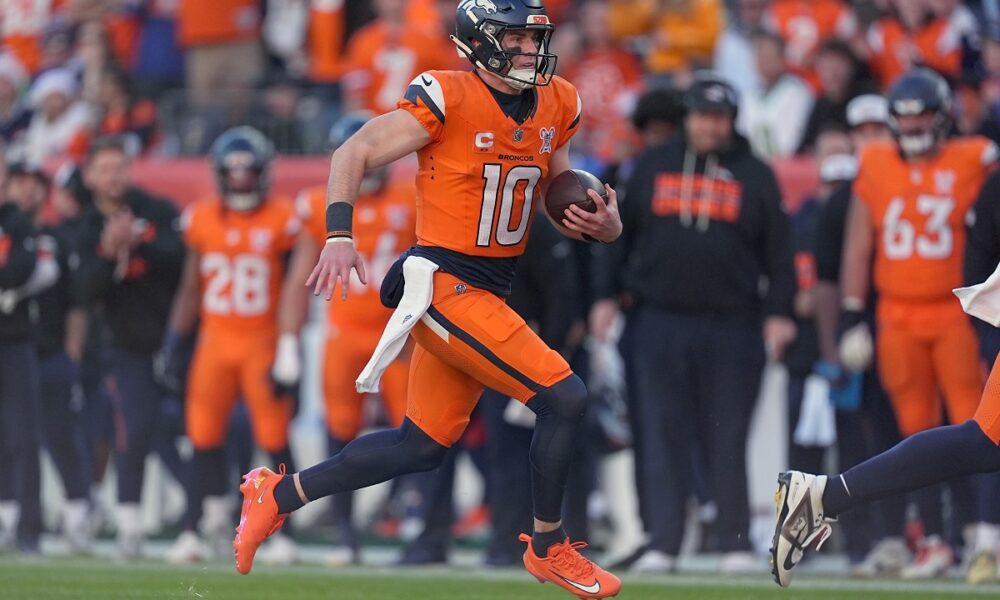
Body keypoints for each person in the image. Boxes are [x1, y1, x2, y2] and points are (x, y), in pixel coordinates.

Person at [233, 2, 623, 597]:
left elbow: (553, 190)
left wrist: (601, 226)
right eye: (515, 38)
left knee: (420, 447)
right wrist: (339, 236)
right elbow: (352, 152)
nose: (529, 49)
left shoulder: (558, 101)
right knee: (564, 397)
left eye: (533, 37)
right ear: (480, 44)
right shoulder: (446, 95)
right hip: (443, 282)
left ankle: (277, 495)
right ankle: (549, 547)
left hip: (491, 284)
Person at [771, 68, 1000, 587]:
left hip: (949, 311)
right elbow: (858, 244)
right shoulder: (876, 164)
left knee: (976, 438)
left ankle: (831, 497)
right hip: (904, 309)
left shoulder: (974, 157)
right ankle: (933, 536)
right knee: (965, 436)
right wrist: (853, 314)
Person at [590, 71, 796, 574]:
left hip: (734, 322)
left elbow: (781, 252)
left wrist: (780, 313)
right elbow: (618, 233)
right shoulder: (654, 165)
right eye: (703, 116)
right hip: (658, 319)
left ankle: (733, 541)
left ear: (731, 121)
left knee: (727, 434)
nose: (710, 126)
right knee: (661, 432)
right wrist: (603, 296)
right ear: (688, 118)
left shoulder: (755, 174)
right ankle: (663, 541)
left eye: (720, 117)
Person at [161, 127, 303, 564]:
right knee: (202, 435)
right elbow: (189, 287)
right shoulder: (202, 217)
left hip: (261, 340)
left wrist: (289, 345)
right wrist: (174, 341)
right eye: (233, 173)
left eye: (249, 172)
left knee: (275, 437)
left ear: (263, 174)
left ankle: (284, 535)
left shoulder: (283, 218)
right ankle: (192, 529)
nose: (241, 181)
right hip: (215, 343)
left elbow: (294, 289)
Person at [282, 112, 417, 564]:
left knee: (419, 430)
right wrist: (288, 341)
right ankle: (344, 533)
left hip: (399, 334)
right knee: (340, 431)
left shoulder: (411, 197)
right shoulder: (320, 205)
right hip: (343, 334)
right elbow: (299, 279)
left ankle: (408, 516)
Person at [75, 136, 184, 558]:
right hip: (122, 345)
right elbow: (83, 291)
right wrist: (108, 252)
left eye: (119, 167)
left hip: (172, 338)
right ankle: (129, 523)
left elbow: (179, 259)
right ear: (90, 176)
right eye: (104, 169)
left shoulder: (155, 209)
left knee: (195, 428)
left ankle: (205, 516)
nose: (113, 177)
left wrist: (138, 242)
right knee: (130, 433)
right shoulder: (85, 227)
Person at [5, 162, 92, 553]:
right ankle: (11, 517)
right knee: (10, 438)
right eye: (19, 184)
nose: (27, 192)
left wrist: (73, 351)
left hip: (43, 350)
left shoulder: (49, 235)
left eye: (33, 185)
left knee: (53, 436)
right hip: (19, 343)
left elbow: (64, 290)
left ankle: (67, 515)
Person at [0, 160, 59, 554]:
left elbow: (24, 266)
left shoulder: (15, 221)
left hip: (14, 341)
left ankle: (29, 528)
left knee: (23, 436)